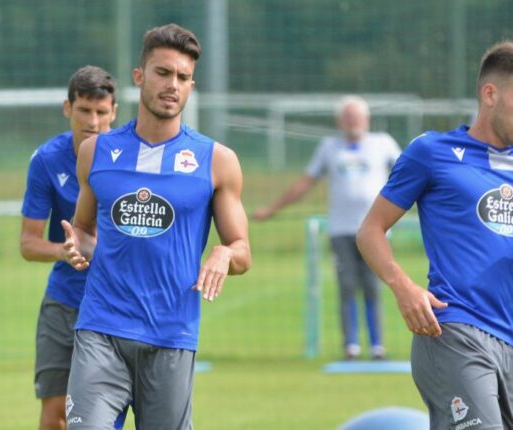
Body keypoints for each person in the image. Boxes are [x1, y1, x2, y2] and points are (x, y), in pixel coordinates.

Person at [61, 23, 251, 429]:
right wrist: (79, 245)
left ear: (191, 85)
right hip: (101, 329)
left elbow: (242, 250)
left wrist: (222, 252)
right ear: (139, 76)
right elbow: (85, 230)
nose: (172, 85)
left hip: (171, 336)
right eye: (163, 73)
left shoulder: (217, 160)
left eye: (183, 77)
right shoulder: (96, 152)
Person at [356, 40, 513, 429]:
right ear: (490, 94)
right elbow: (370, 230)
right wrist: (402, 286)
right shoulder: (433, 152)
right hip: (456, 331)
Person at [252, 95, 401, 360]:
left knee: (373, 286)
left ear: (366, 120)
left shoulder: (383, 144)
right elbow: (306, 182)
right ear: (340, 121)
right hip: (342, 231)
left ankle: (377, 346)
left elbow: (408, 175)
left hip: (376, 231)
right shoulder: (330, 148)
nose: (353, 122)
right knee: (346, 286)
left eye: (358, 117)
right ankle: (351, 346)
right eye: (348, 117)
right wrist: (272, 209)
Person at [19, 65, 127, 430]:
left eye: (101, 112)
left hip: (120, 305)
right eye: (84, 110)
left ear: (113, 112)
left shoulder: (130, 157)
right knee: (56, 415)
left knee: (112, 415)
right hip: (64, 301)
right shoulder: (47, 160)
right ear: (68, 108)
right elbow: (28, 243)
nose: (93, 121)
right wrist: (63, 252)